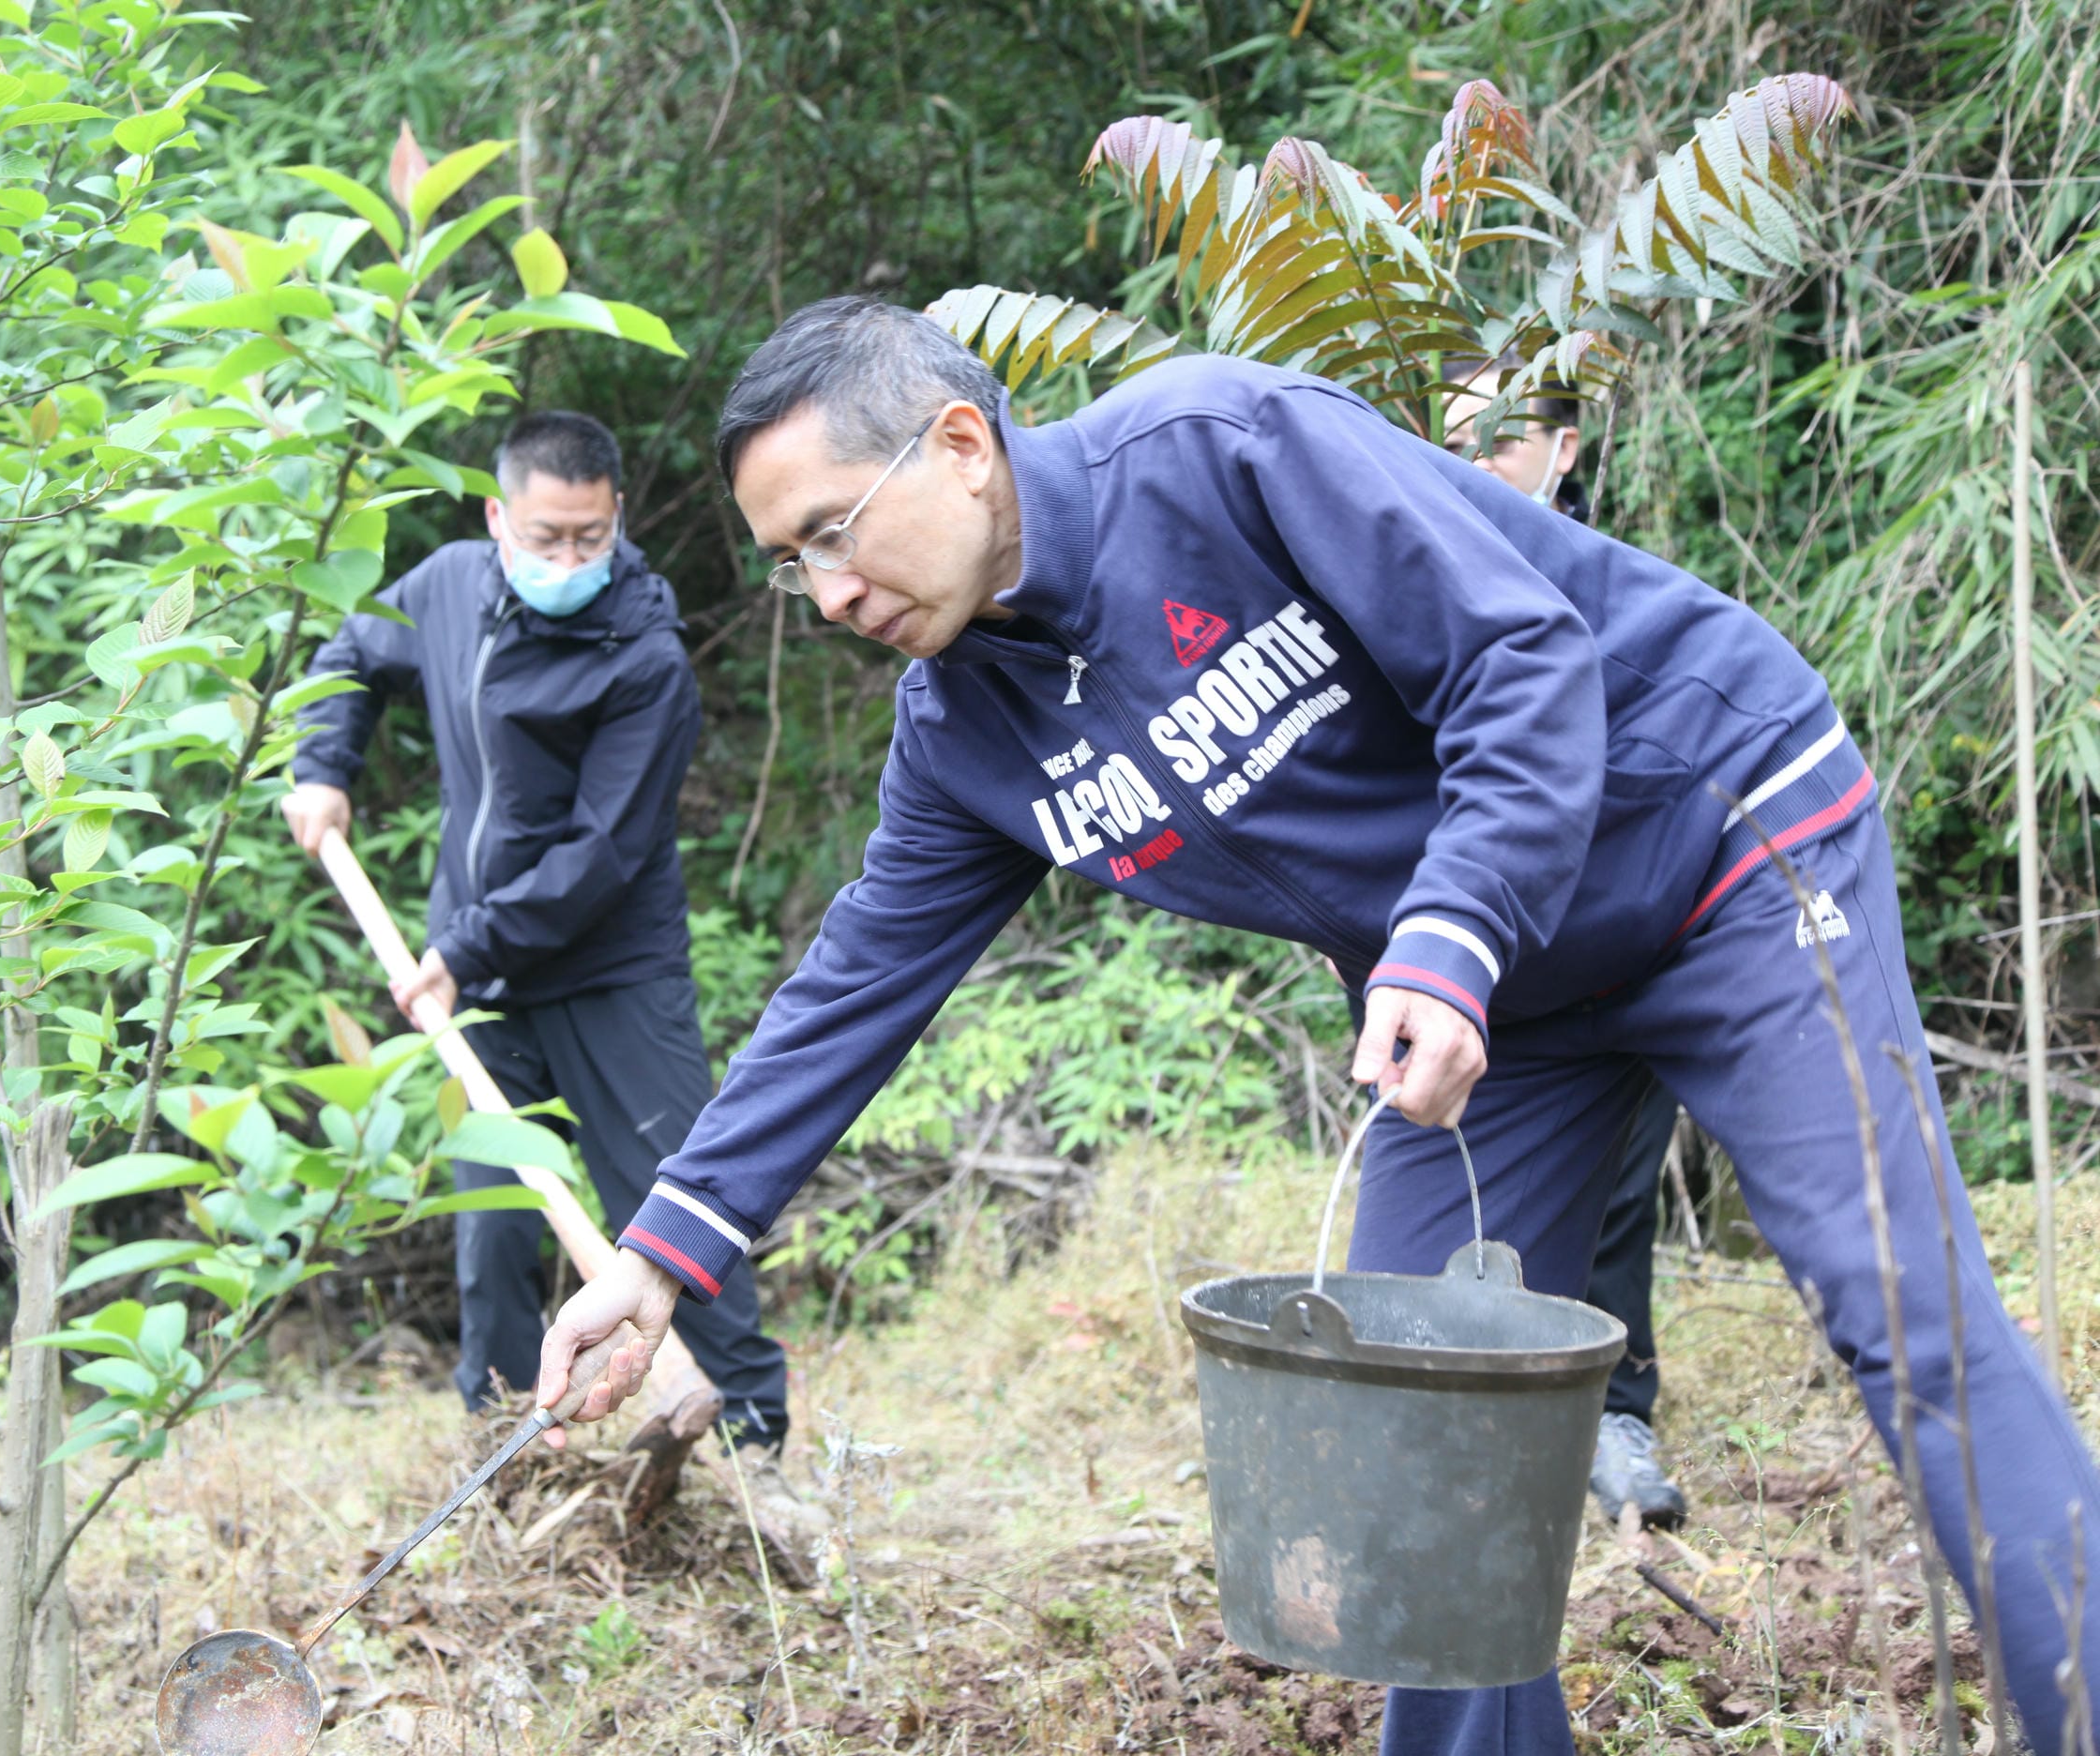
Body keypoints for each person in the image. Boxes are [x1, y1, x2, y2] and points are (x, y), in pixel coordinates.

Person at [528, 297, 2100, 1756]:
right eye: (789, 565)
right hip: (1498, 1003)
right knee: (1415, 1427)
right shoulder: (963, 736)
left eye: (832, 536)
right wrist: (660, 1260)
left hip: (1713, 842)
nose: (828, 594)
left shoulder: (1222, 449)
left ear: (954, 442)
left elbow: (1520, 652)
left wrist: (1452, 924)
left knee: (1899, 1303)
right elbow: (851, 990)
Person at [279, 409, 793, 1462]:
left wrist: (466, 949)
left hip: (610, 967)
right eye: (548, 537)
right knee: (497, 1229)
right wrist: (323, 765)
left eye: (590, 539)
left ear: (617, 520)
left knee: (678, 1205)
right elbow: (351, 652)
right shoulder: (449, 588)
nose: (570, 559)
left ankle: (755, 1447)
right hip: (470, 969)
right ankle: (508, 1442)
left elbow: (599, 858)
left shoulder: (644, 655)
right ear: (496, 518)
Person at [1440, 363, 1685, 1529]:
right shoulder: (1409, 571)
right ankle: (1476, 1427)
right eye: (1453, 434)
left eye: (1503, 430)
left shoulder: (1622, 580)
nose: (1479, 452)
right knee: (1458, 1187)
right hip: (1468, 935)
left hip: (1622, 908)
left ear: (1567, 449)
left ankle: (1614, 1411)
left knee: (1619, 1183)